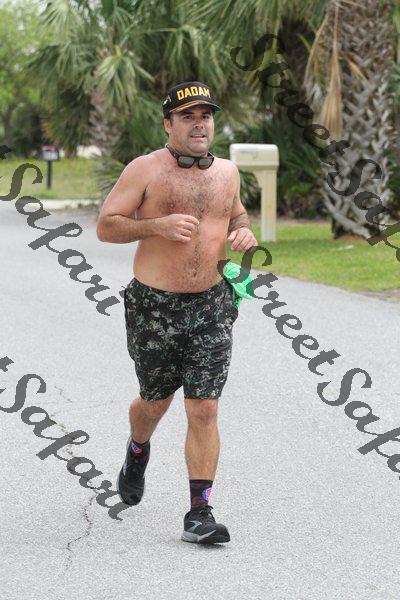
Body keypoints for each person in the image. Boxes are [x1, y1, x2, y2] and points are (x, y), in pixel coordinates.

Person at [96, 81, 257, 544]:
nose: (199, 124)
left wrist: (243, 231)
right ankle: (137, 450)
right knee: (153, 402)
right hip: (154, 307)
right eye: (187, 116)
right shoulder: (145, 169)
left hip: (211, 303)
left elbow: (237, 214)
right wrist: (158, 226)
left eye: (205, 115)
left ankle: (199, 512)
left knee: (204, 407)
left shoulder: (228, 172)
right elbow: (106, 226)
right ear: (168, 124)